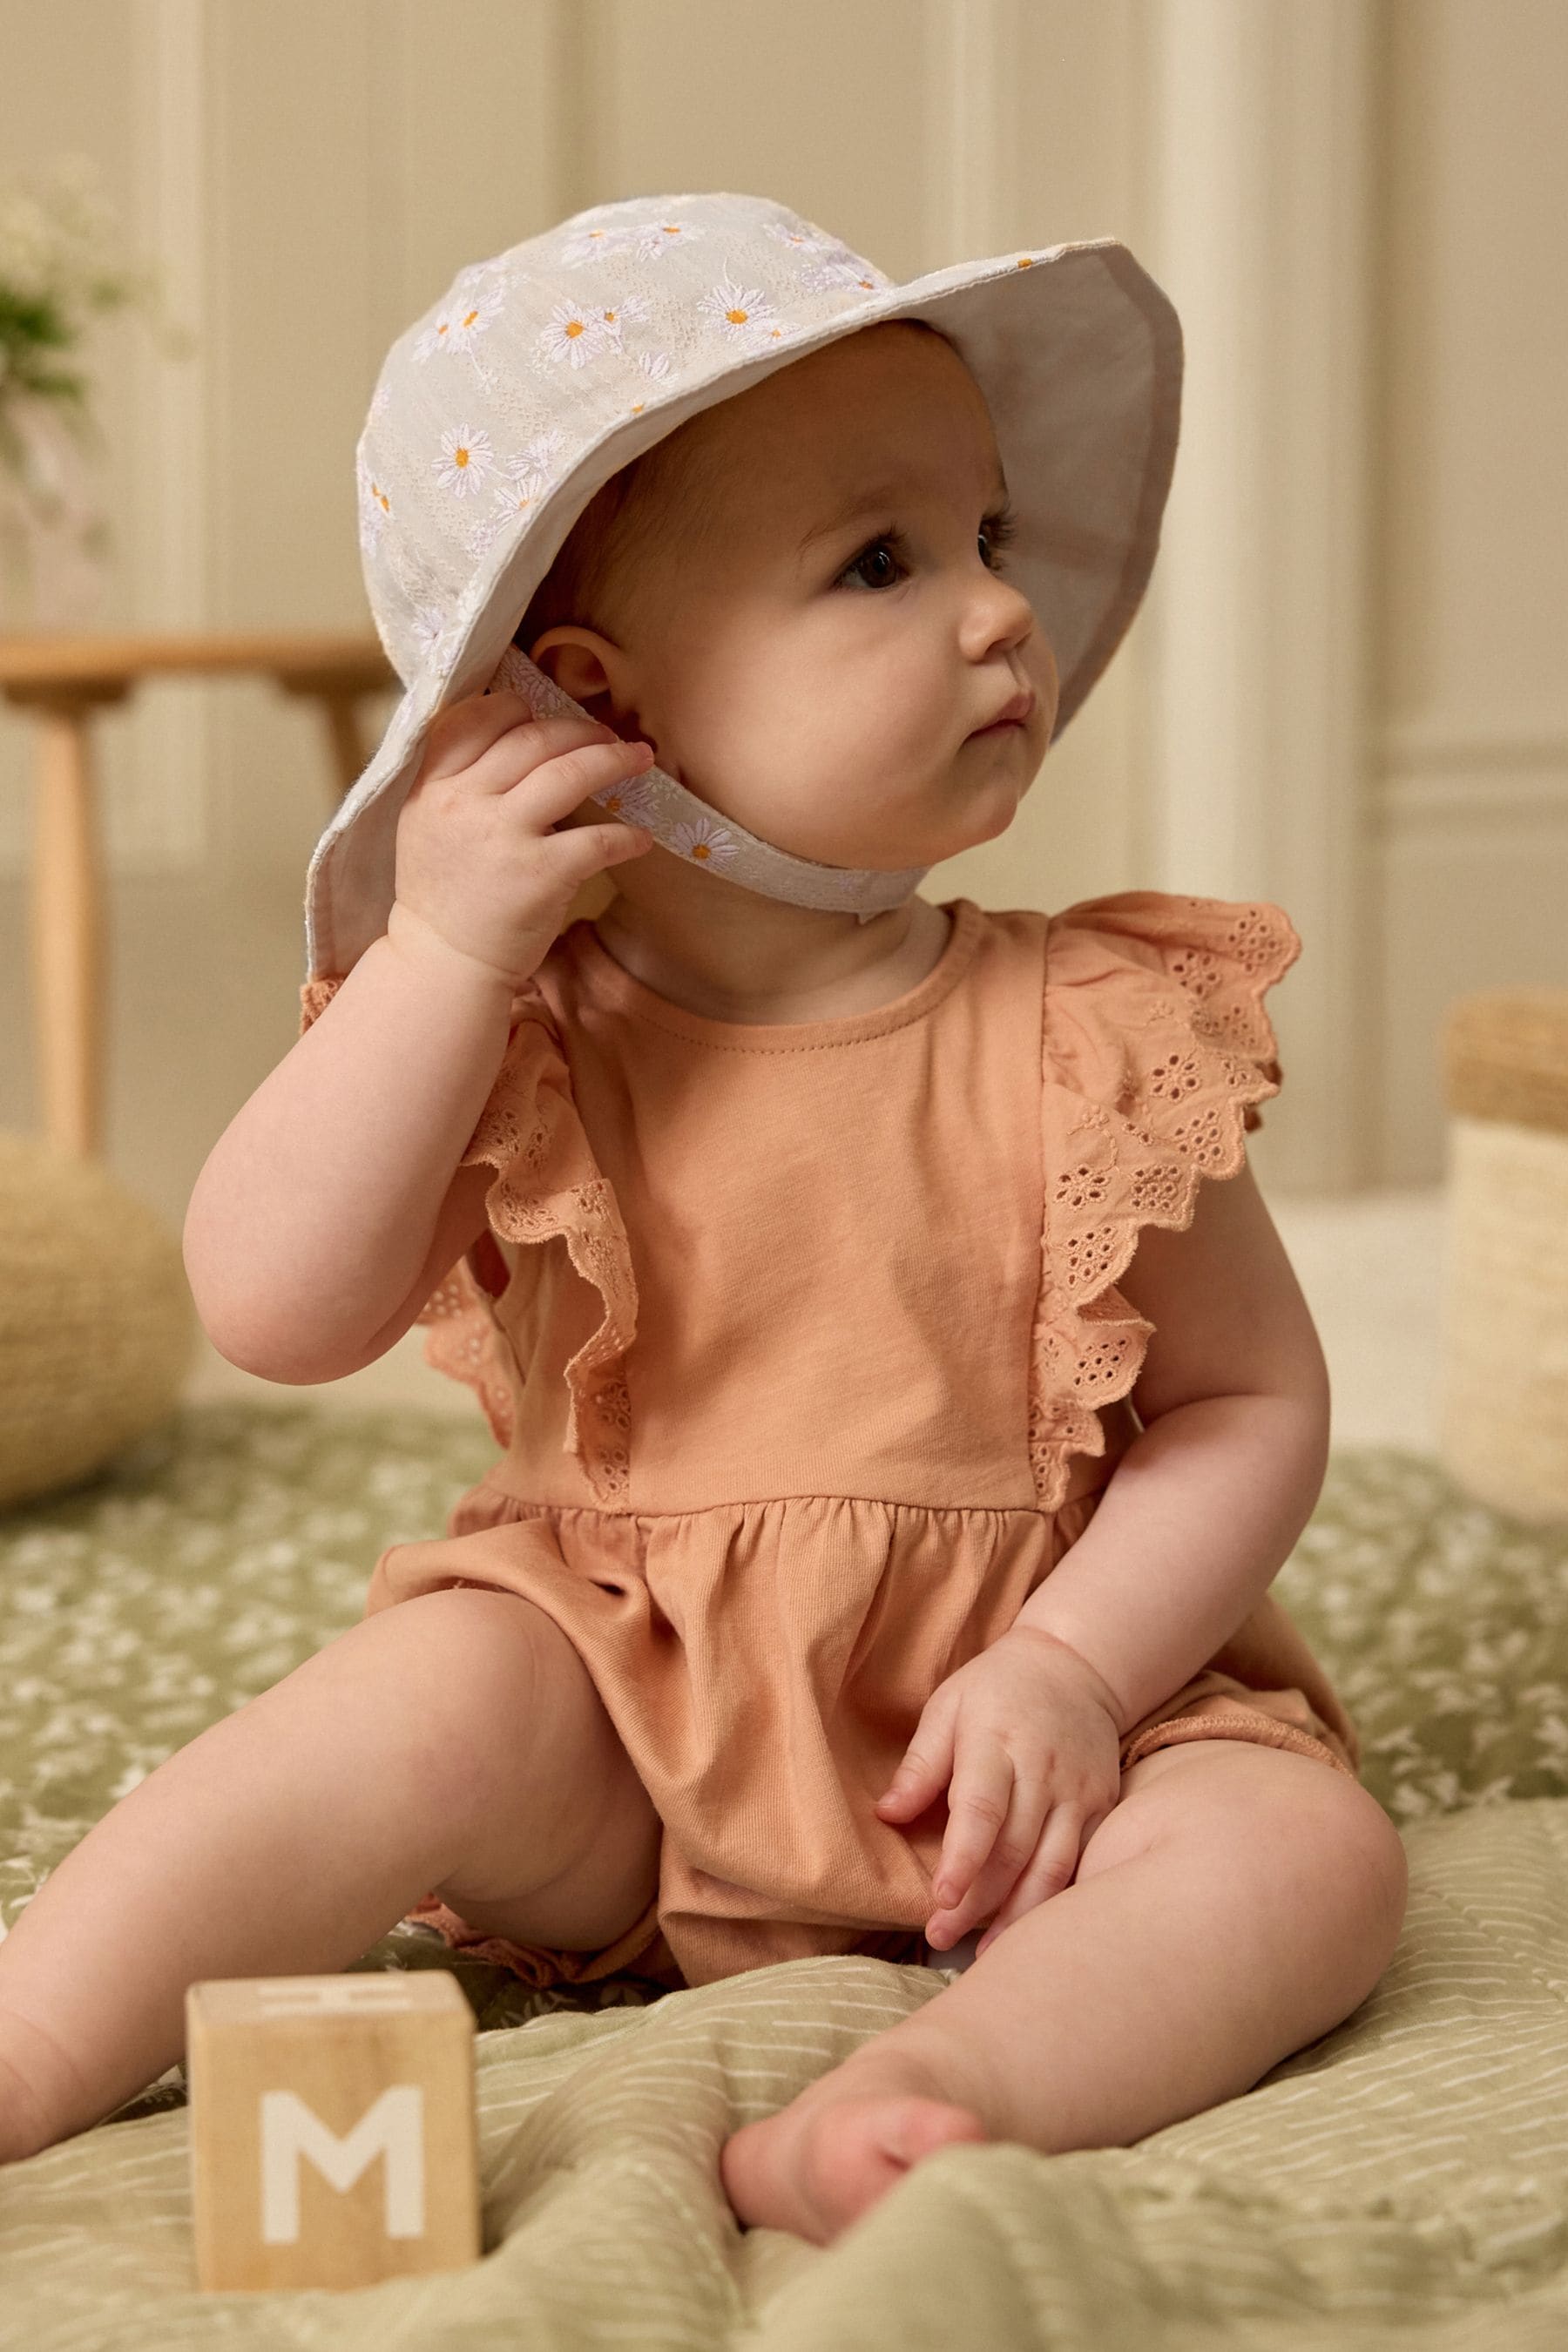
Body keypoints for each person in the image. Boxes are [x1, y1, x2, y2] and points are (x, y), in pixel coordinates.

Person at [0, 194, 1407, 2245]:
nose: (1001, 613)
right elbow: (271, 1309)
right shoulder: (517, 1031)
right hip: (629, 1718)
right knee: (409, 1705)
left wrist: (1083, 1678)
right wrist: (442, 956)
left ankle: (946, 2088)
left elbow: (1245, 1405)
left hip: (1019, 1735)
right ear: (607, 709)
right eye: (881, 561)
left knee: (1305, 1858)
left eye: (991, 539)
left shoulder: (1089, 1027)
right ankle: (40, 2033)